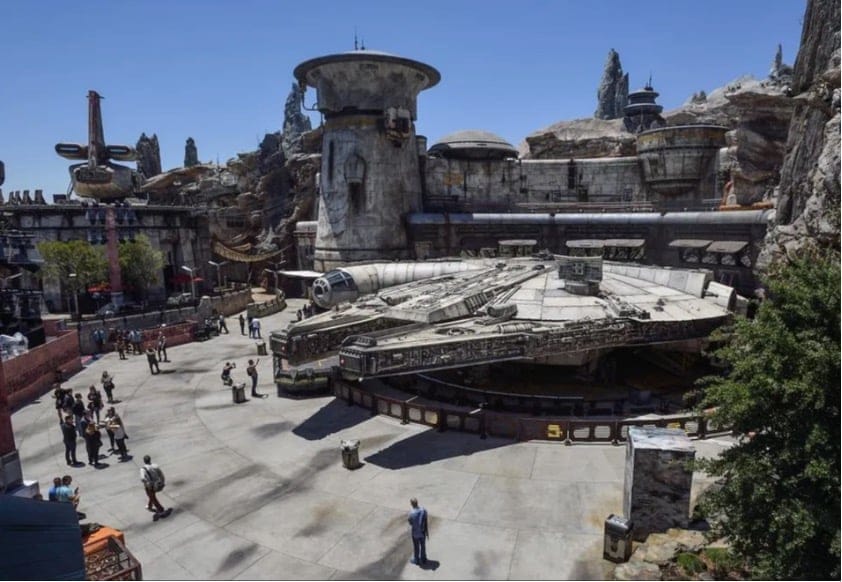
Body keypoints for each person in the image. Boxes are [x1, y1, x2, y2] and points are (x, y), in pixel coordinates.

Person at [140, 455, 170, 521]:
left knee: (152, 497)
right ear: (150, 460)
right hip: (156, 484)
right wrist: (162, 482)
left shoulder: (143, 469)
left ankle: (161, 509)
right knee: (152, 496)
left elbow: (142, 478)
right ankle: (149, 506)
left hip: (149, 486)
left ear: (144, 461)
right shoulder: (155, 466)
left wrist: (147, 483)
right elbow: (161, 475)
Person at [407, 498, 429, 565]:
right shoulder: (424, 510)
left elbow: (410, 522)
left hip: (415, 533)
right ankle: (423, 559)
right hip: (422, 532)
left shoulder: (411, 513)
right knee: (423, 545)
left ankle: (416, 560)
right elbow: (426, 519)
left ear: (411, 504)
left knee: (416, 547)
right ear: (417, 503)